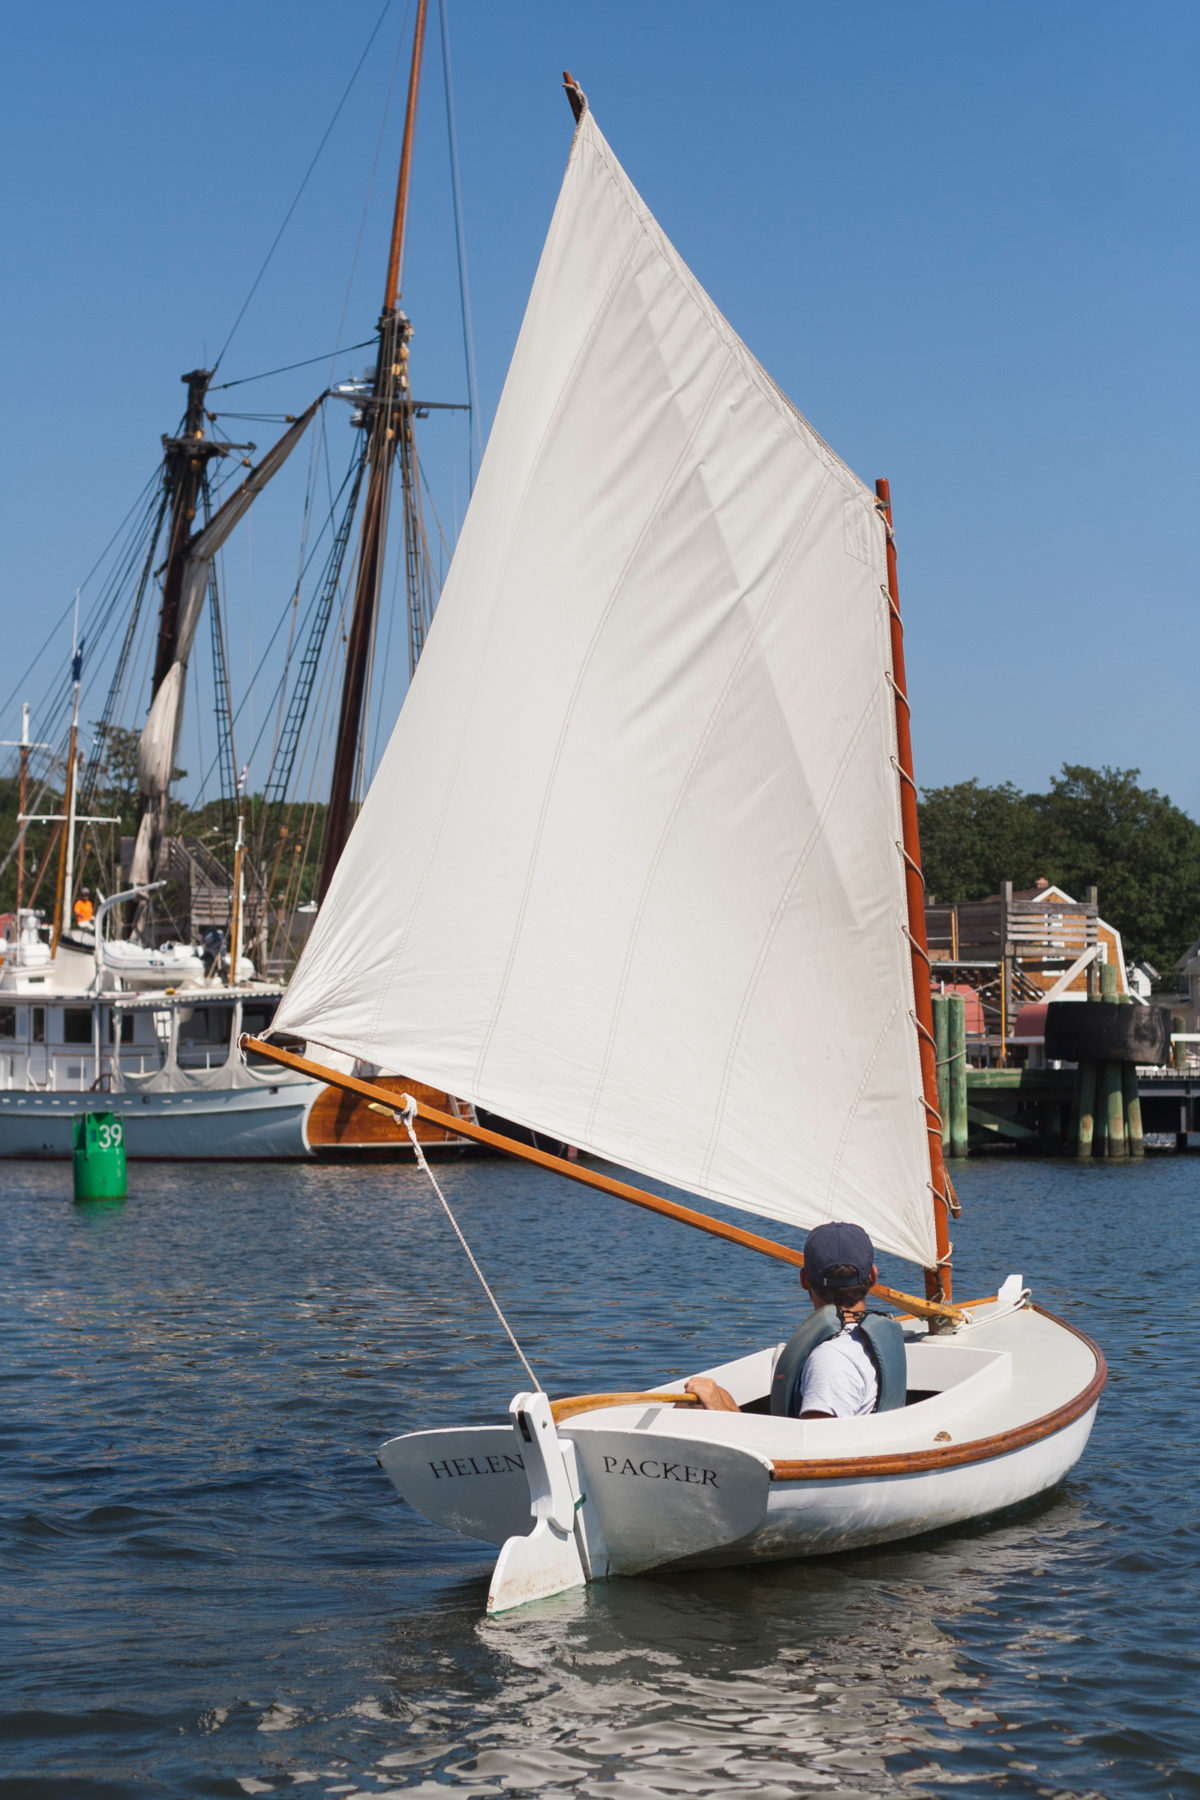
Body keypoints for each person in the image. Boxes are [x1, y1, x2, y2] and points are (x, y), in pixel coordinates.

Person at [685, 1220, 881, 1419]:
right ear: (873, 1277)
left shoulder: (831, 1360)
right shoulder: (868, 1339)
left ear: (804, 1280)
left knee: (689, 1408)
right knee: (718, 1395)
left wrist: (719, 1411)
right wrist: (721, 1402)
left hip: (811, 1449)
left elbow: (816, 1445)